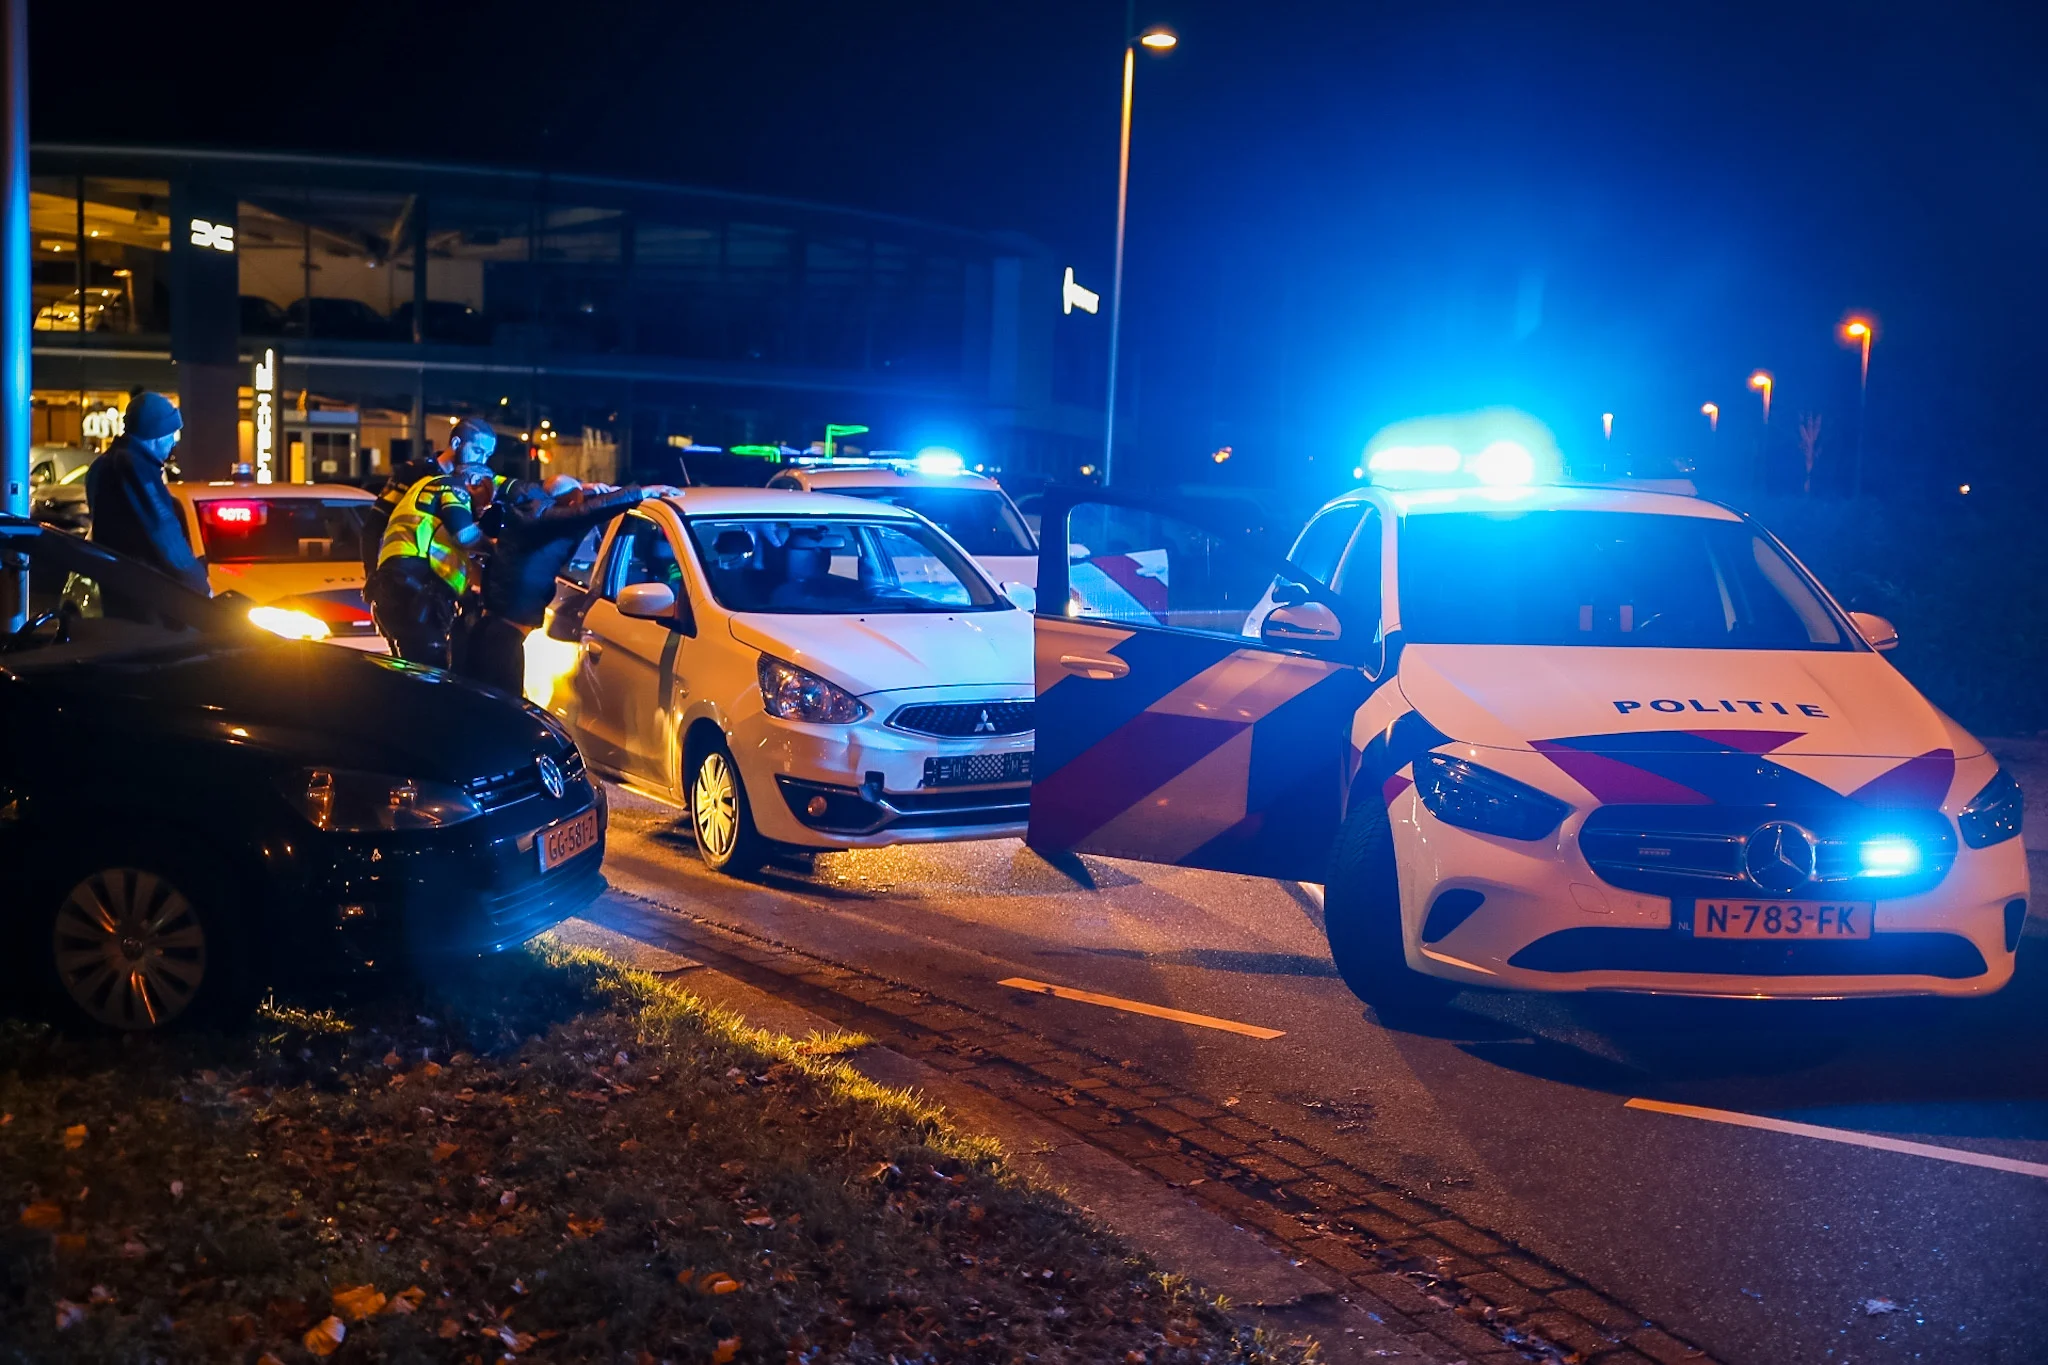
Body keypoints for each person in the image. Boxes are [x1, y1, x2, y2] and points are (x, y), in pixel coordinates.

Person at [464, 474, 679, 695]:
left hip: (496, 613)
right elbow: (587, 511)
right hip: (509, 623)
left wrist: (585, 489)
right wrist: (642, 492)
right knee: (506, 700)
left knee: (487, 692)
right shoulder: (549, 518)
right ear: (570, 502)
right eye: (578, 497)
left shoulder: (527, 504)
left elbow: (563, 496)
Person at [366, 443, 500, 668]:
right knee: (430, 674)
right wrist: (499, 548)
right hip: (413, 591)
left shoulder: (427, 492)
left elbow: (445, 554)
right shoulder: (452, 487)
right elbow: (466, 536)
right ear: (474, 482)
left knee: (410, 672)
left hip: (396, 589)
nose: (481, 509)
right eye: (484, 500)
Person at [83, 391, 210, 595]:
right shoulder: (135, 469)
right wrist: (198, 584)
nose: (173, 442)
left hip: (117, 588)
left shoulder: (103, 465)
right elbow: (162, 528)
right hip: (146, 598)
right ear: (155, 436)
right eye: (171, 435)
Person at [358, 419, 482, 578]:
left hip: (445, 583)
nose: (482, 460)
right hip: (408, 575)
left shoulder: (470, 483)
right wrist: (371, 574)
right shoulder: (413, 473)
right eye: (478, 451)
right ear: (456, 443)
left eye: (488, 455)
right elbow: (374, 526)